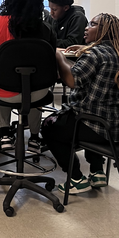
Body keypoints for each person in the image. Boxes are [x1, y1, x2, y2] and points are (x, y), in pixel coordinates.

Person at [41, 13, 119, 195]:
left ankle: (76, 178)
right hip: (113, 126)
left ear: (105, 31)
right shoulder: (113, 52)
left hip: (92, 125)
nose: (86, 27)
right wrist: (84, 49)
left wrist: (59, 56)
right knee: (90, 112)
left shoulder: (95, 55)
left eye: (92, 24)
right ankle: (97, 171)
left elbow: (72, 80)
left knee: (49, 126)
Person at [0, 0, 56, 152]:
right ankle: (35, 137)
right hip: (38, 94)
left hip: (4, 93)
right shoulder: (47, 28)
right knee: (36, 82)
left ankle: (5, 133)